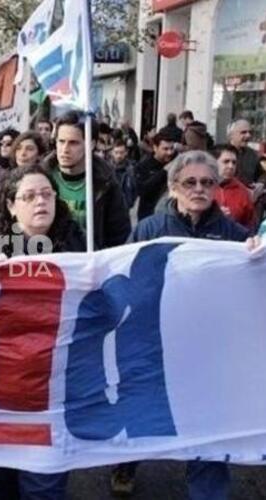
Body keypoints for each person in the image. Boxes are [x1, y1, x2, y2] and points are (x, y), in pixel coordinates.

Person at [114, 150, 255, 500]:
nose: (199, 189)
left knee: (208, 431)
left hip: (209, 354)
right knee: (144, 416)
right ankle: (126, 463)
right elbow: (122, 276)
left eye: (207, 182)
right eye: (189, 182)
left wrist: (255, 256)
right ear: (173, 187)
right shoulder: (150, 230)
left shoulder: (235, 237)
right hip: (155, 345)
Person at [0, 165, 85, 500]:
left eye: (47, 194)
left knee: (44, 486)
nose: (40, 202)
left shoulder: (79, 245)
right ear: (11, 205)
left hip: (54, 390)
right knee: (2, 485)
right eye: (29, 196)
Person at [43, 111, 131, 249]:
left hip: (91, 264)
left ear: (91, 144)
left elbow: (119, 234)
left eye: (73, 143)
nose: (64, 149)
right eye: (61, 141)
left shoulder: (106, 182)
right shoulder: (41, 177)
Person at [0, 131, 47, 225]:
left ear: (39, 154)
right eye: (18, 148)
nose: (23, 153)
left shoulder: (46, 181)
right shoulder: (3, 180)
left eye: (29, 149)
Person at [212, 145, 256, 230]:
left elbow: (250, 225)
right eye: (226, 162)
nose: (231, 166)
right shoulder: (200, 187)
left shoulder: (243, 191)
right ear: (213, 162)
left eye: (234, 162)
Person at [135, 131, 175, 220]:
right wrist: (164, 171)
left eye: (172, 148)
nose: (169, 152)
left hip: (170, 214)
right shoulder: (144, 165)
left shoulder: (175, 162)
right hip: (149, 214)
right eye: (165, 149)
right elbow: (142, 190)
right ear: (155, 148)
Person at [227, 119, 259, 185]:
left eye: (250, 132)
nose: (248, 136)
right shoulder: (220, 153)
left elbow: (262, 173)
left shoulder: (253, 155)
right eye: (243, 132)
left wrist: (261, 183)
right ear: (231, 135)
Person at [110, 139, 137, 209]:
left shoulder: (131, 169)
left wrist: (130, 202)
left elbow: (135, 187)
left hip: (125, 207)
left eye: (121, 152)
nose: (119, 155)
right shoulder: (107, 169)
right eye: (116, 152)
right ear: (112, 152)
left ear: (126, 152)